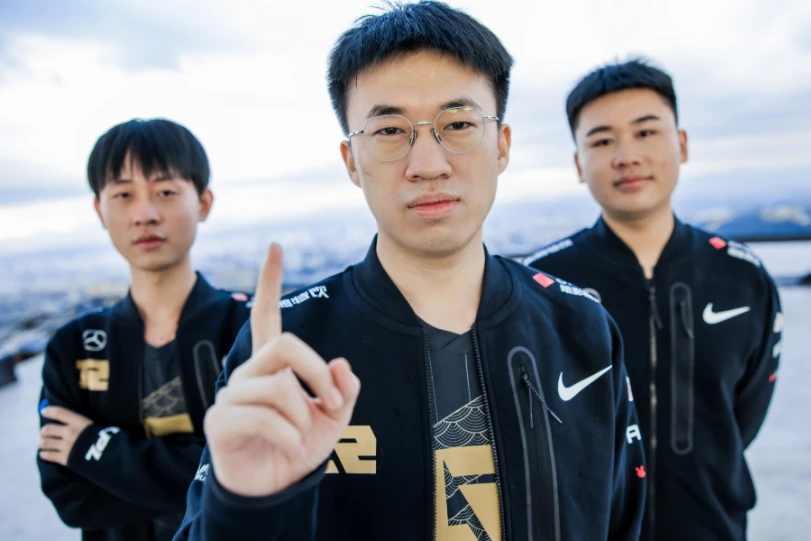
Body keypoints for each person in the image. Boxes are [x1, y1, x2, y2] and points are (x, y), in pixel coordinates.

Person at [176, 3, 646, 540]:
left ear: (502, 146)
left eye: (459, 124)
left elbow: (622, 522)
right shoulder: (289, 348)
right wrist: (247, 506)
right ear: (352, 161)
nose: (428, 165)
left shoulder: (581, 329)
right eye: (390, 130)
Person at [524, 59, 782, 541]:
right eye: (602, 141)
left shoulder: (742, 278)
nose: (626, 156)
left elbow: (743, 417)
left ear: (681, 144)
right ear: (579, 163)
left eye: (645, 133)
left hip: (714, 528)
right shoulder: (541, 285)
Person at [37, 118, 252, 541]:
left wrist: (96, 450)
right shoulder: (73, 347)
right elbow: (71, 498)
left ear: (203, 202)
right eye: (123, 195)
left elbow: (259, 467)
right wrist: (207, 474)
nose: (145, 215)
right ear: (99, 210)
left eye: (165, 192)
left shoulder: (247, 328)